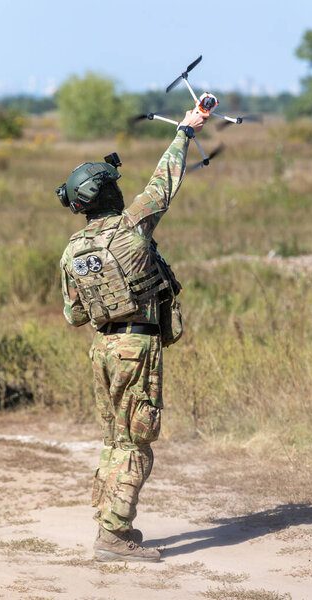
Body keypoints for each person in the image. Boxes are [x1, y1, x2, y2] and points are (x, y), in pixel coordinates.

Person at [58, 109, 208, 562]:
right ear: (109, 193)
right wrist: (185, 131)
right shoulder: (132, 225)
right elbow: (165, 183)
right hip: (137, 348)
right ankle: (115, 534)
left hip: (102, 348)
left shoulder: (72, 251)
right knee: (137, 442)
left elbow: (74, 316)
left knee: (114, 439)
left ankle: (107, 519)